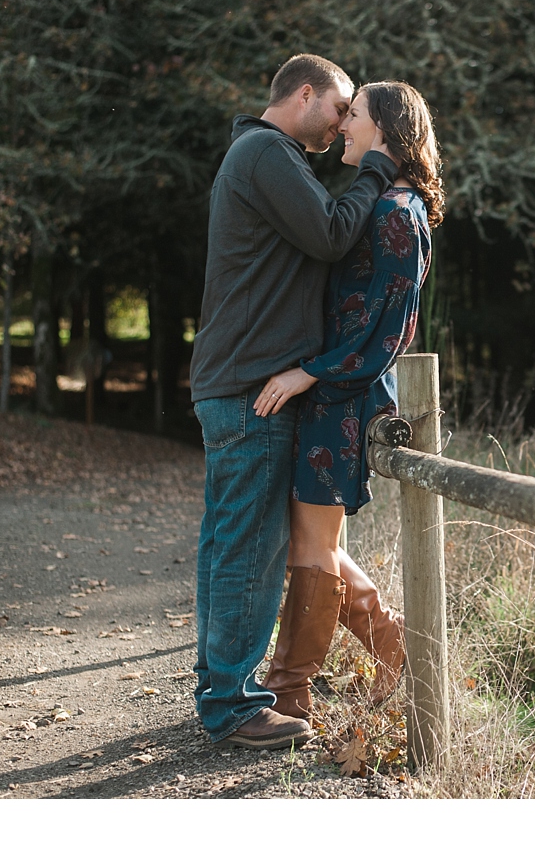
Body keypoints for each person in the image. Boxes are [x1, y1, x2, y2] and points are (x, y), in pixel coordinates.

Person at [188, 54, 399, 750]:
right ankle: (234, 704)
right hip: (252, 387)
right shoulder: (268, 152)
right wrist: (375, 168)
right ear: (304, 94)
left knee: (228, 544)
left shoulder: (260, 155)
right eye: (340, 107)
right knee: (250, 550)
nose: (343, 121)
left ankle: (220, 686)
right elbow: (334, 233)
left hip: (237, 381)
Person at [251, 81, 441, 720]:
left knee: (311, 543)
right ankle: (394, 645)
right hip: (335, 391)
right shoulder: (383, 203)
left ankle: (290, 689)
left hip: (347, 395)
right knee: (314, 539)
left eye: (353, 116)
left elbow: (390, 328)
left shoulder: (397, 213)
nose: (342, 127)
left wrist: (312, 372)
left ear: (384, 131)